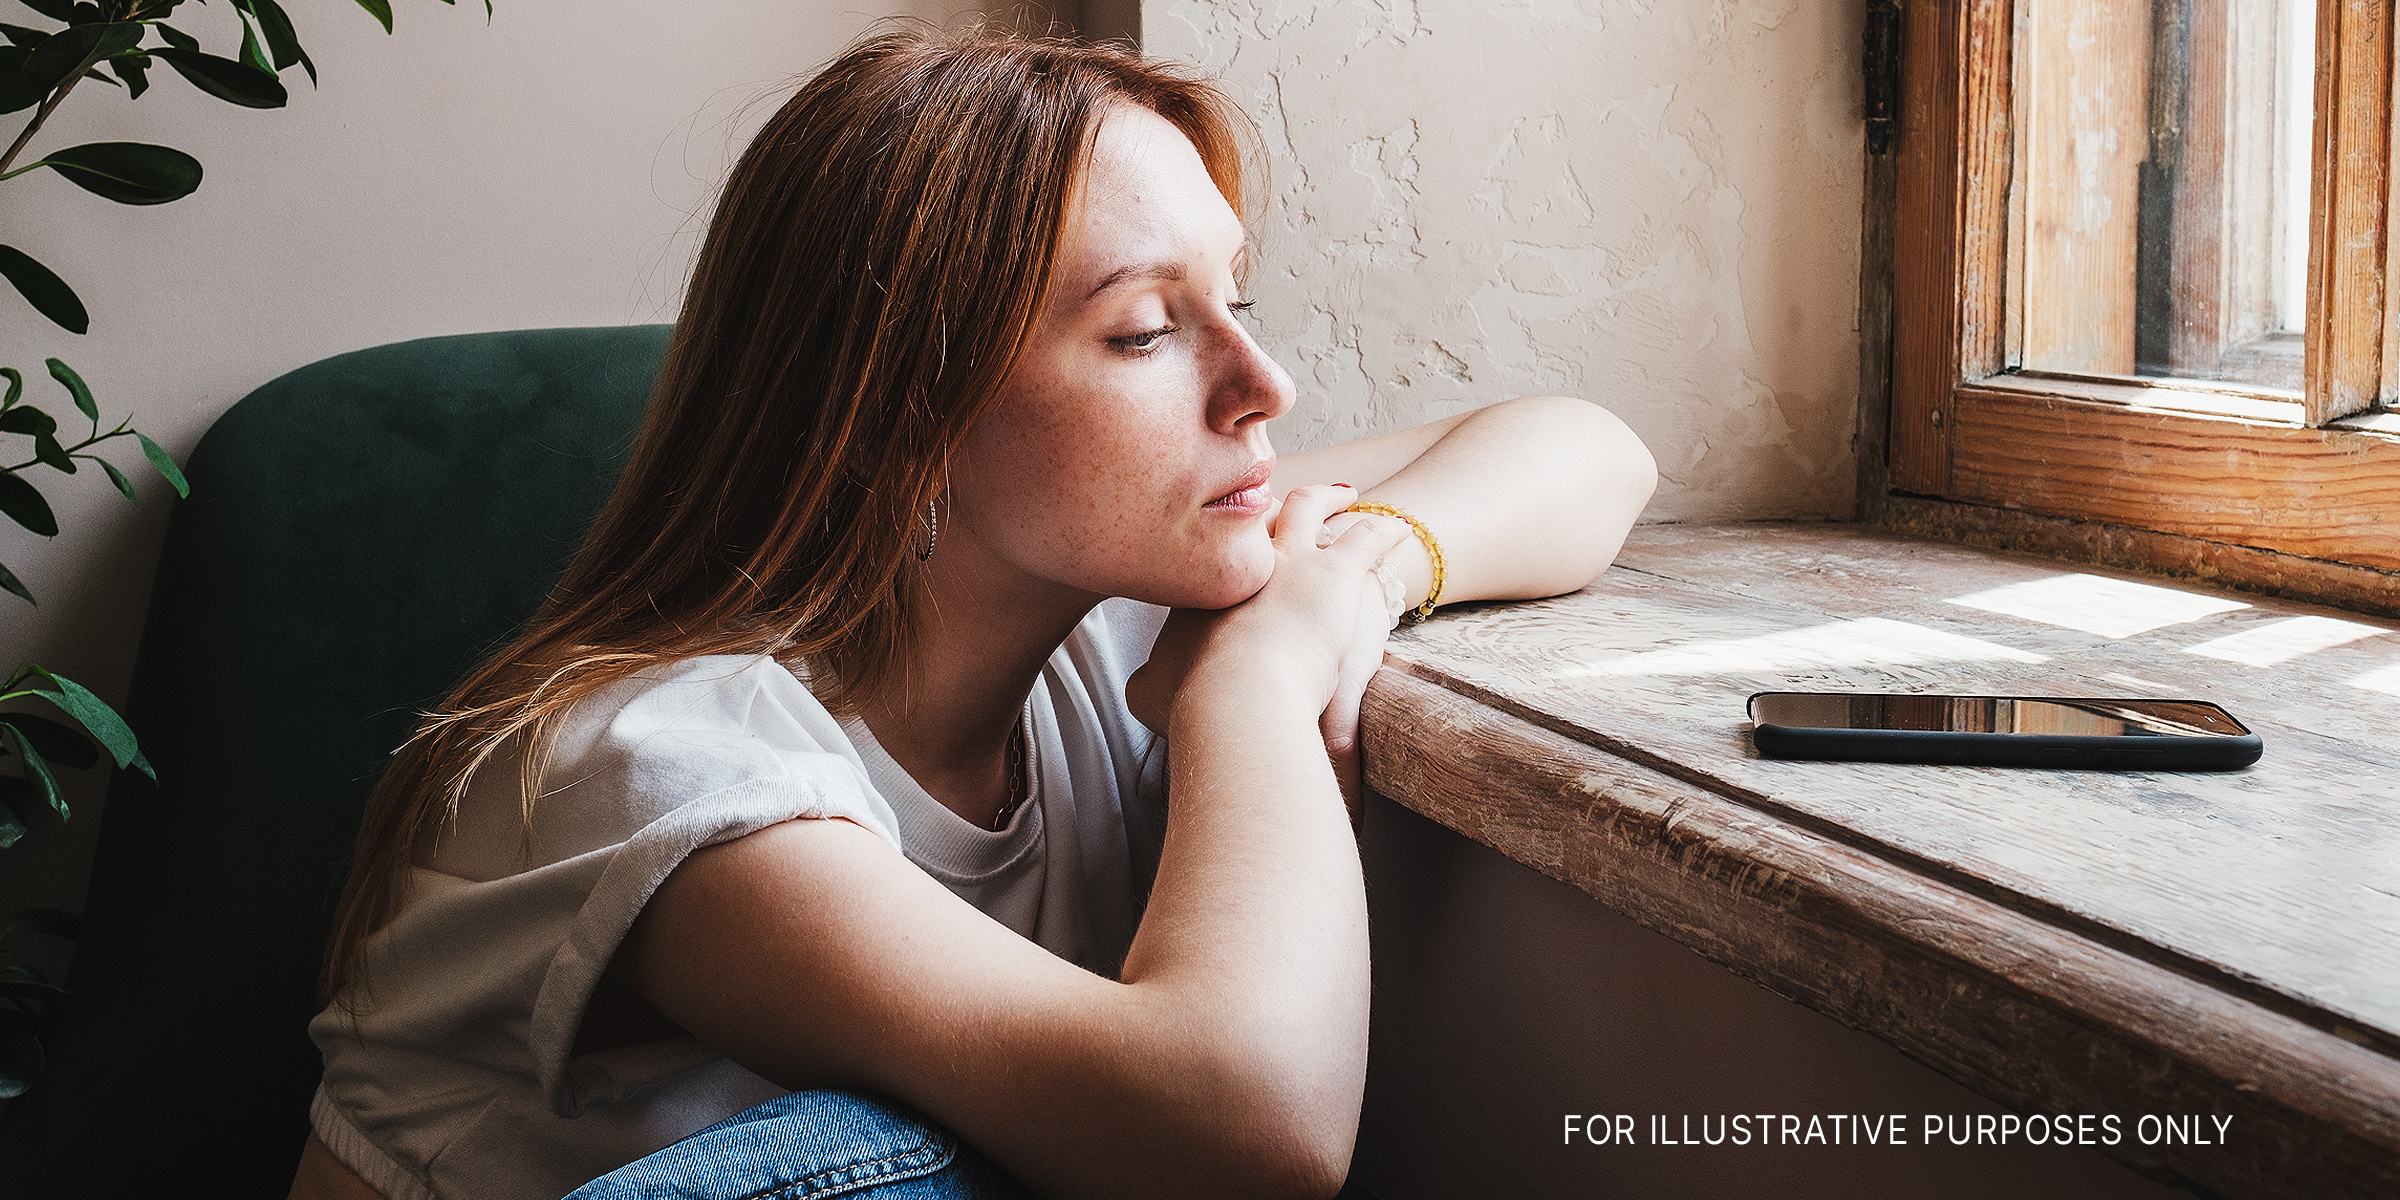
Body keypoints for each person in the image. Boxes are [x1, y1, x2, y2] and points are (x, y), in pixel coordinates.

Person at [287, 24, 1656, 1200]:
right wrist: (1256, 679)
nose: (1266, 385)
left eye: (1236, 298)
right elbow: (1247, 1128)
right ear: (901, 415)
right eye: (1144, 332)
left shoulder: (1101, 585)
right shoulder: (661, 774)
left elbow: (1585, 449)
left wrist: (1364, 570)